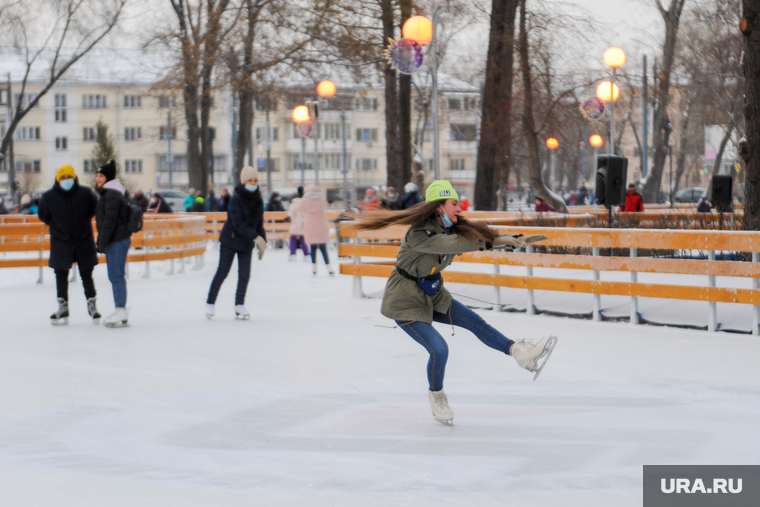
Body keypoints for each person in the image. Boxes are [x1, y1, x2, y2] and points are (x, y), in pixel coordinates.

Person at [345, 180, 557, 425]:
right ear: (439, 208)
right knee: (439, 349)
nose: (459, 208)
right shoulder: (418, 233)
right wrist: (496, 242)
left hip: (433, 292)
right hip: (404, 300)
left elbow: (474, 236)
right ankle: (437, 396)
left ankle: (520, 352)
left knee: (475, 322)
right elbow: (452, 245)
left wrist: (511, 239)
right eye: (454, 203)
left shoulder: (450, 228)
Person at [38, 164, 101, 325]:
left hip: (83, 239)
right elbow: (44, 215)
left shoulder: (86, 194)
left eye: (69, 177)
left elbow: (94, 209)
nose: (66, 180)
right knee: (61, 274)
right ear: (58, 180)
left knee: (86, 273)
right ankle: (62, 306)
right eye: (63, 178)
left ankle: (92, 304)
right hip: (61, 241)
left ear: (74, 178)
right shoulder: (49, 197)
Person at [205, 166, 266, 320]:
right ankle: (210, 302)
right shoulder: (236, 198)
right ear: (244, 182)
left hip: (246, 242)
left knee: (245, 274)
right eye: (250, 180)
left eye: (255, 180)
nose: (253, 183)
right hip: (230, 240)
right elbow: (238, 223)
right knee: (223, 272)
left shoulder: (258, 199)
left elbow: (259, 223)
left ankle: (239, 304)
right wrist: (256, 237)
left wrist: (262, 241)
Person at [94, 160, 132, 327]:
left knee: (116, 275)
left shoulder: (111, 194)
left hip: (117, 240)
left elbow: (110, 220)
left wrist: (102, 242)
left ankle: (120, 308)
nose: (98, 179)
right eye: (97, 175)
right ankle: (120, 309)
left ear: (108, 178)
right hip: (116, 239)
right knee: (116, 275)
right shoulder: (111, 193)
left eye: (101, 175)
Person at [302, 184, 334, 276]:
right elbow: (325, 206)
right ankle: (329, 268)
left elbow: (301, 208)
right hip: (320, 224)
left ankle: (314, 269)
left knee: (313, 248)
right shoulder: (322, 198)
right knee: (323, 248)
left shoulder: (305, 199)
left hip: (310, 224)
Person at [288, 186, 310, 261]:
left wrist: (288, 217)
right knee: (303, 239)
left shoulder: (295, 202)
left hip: (295, 223)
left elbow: (292, 211)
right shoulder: (306, 202)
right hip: (303, 223)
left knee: (293, 238)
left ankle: (293, 254)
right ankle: (306, 254)